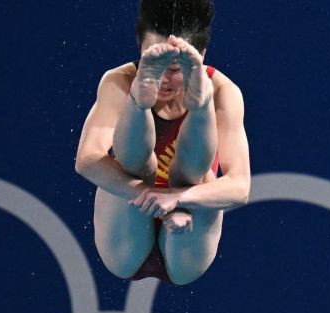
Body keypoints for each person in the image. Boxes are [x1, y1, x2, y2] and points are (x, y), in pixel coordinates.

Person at [74, 0, 250, 285]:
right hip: (126, 229)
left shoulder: (226, 92)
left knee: (198, 175)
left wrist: (178, 199)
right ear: (140, 50)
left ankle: (199, 104)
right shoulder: (118, 81)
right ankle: (138, 104)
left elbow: (240, 187)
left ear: (201, 55)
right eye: (154, 63)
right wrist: (153, 199)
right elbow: (87, 160)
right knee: (131, 163)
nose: (164, 81)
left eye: (177, 68)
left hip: (188, 232)